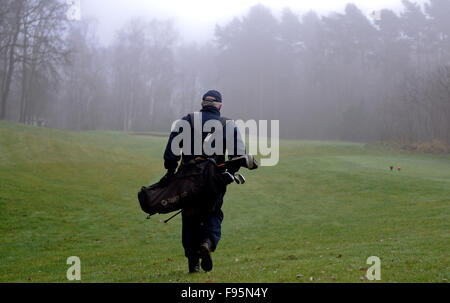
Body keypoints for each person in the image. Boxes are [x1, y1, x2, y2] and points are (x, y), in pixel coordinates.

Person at [162, 90, 246, 273]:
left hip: (187, 179)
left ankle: (193, 264)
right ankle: (207, 242)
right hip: (214, 179)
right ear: (220, 106)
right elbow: (238, 155)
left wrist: (170, 170)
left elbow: (172, 149)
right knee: (213, 213)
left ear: (202, 104)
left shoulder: (187, 120)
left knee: (189, 216)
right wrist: (229, 173)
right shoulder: (228, 124)